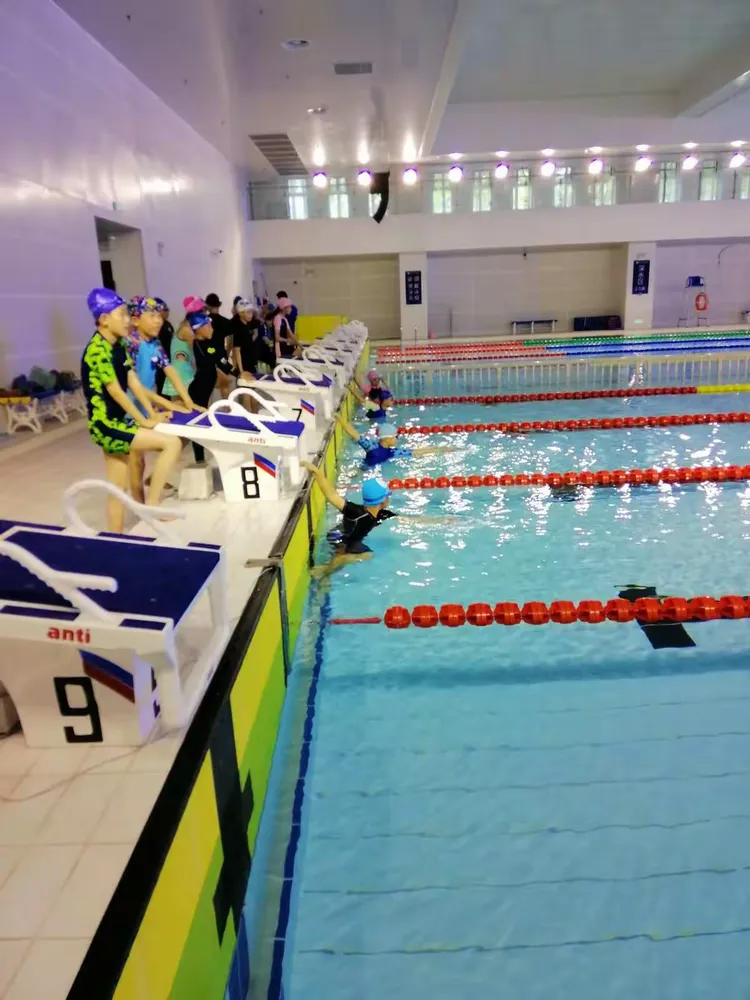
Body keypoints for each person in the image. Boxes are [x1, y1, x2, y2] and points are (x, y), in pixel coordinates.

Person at [81, 289, 182, 533]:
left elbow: (133, 382)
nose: (127, 320)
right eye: (122, 315)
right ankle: (152, 507)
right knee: (171, 443)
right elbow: (116, 391)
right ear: (104, 319)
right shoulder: (97, 349)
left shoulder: (117, 345)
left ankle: (115, 538)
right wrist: (142, 420)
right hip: (106, 424)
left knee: (117, 489)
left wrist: (151, 414)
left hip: (116, 422)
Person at [125, 297, 198, 502]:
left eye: (159, 316)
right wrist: (165, 405)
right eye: (152, 316)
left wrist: (188, 401)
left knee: (169, 445)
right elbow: (135, 386)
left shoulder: (154, 343)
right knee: (136, 462)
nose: (158, 320)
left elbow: (169, 369)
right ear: (135, 320)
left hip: (146, 406)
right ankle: (143, 505)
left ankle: (150, 496)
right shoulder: (130, 344)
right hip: (129, 410)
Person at [301, 462, 397, 578]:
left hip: (346, 537)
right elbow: (332, 495)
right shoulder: (355, 512)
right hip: (339, 537)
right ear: (382, 500)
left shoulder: (382, 514)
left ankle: (329, 569)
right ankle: (331, 565)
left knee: (336, 567)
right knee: (367, 555)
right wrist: (317, 472)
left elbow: (402, 519)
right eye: (387, 496)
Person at [188, 310, 235, 464]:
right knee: (197, 422)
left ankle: (200, 457)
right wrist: (236, 371)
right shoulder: (197, 344)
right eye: (208, 326)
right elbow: (217, 358)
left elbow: (220, 360)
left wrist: (239, 372)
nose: (212, 329)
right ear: (199, 328)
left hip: (205, 385)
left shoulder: (207, 344)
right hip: (197, 388)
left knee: (200, 420)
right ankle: (199, 459)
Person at [336, 415, 456, 467]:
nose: (397, 438)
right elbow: (354, 434)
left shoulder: (393, 452)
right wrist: (340, 419)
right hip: (365, 468)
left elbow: (416, 452)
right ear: (387, 438)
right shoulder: (371, 447)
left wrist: (440, 449)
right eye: (395, 436)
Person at [204, 293, 233, 398]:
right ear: (218, 305)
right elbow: (230, 341)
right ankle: (228, 406)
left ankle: (208, 407)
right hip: (221, 355)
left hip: (207, 354)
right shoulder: (226, 322)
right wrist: (227, 353)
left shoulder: (204, 321)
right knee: (225, 386)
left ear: (207, 306)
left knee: (207, 386)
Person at [270, 297, 300, 362]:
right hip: (279, 348)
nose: (290, 309)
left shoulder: (285, 319)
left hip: (284, 346)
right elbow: (277, 338)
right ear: (284, 308)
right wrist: (288, 340)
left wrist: (299, 345)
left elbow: (291, 334)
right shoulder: (277, 318)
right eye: (289, 307)